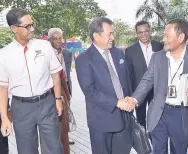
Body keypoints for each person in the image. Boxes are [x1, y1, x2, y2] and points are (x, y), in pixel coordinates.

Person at [127, 19, 188, 154]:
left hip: (183, 114)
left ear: (181, 37)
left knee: (178, 150)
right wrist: (134, 99)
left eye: (167, 36)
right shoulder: (157, 57)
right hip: (159, 113)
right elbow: (147, 81)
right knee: (158, 151)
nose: (164, 39)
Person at [0, 8, 63, 154]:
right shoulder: (4, 55)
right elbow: (2, 88)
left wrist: (58, 99)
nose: (32, 29)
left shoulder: (44, 46)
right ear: (13, 28)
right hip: (21, 108)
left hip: (46, 104)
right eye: (27, 26)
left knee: (55, 148)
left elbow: (55, 74)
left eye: (32, 24)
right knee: (26, 150)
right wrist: (5, 118)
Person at [75, 17, 135, 154]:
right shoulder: (83, 60)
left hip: (124, 117)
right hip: (102, 121)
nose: (113, 37)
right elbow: (90, 91)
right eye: (110, 34)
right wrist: (117, 102)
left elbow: (127, 80)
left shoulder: (118, 52)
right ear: (96, 36)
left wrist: (130, 100)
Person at [125, 20, 164, 127]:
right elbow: (129, 74)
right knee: (141, 119)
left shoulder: (159, 46)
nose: (143, 34)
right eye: (140, 32)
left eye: (146, 31)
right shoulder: (130, 51)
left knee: (157, 116)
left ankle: (154, 137)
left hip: (157, 89)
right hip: (139, 90)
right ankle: (144, 140)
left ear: (149, 30)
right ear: (136, 34)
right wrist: (131, 93)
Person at [48, 27, 74, 154]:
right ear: (50, 40)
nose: (59, 41)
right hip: (51, 92)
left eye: (60, 38)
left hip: (66, 89)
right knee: (54, 122)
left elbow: (67, 73)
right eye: (55, 39)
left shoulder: (67, 53)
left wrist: (68, 92)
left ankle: (65, 144)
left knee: (65, 121)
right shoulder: (47, 53)